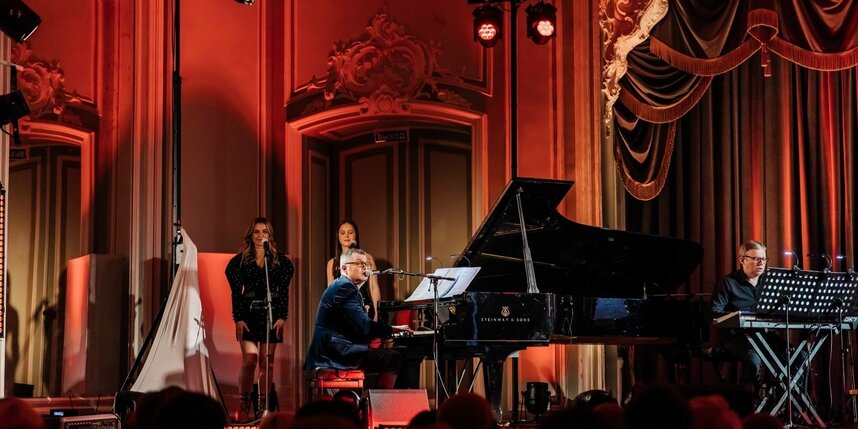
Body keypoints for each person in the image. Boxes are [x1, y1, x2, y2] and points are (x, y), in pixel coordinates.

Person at [710, 240, 807, 394]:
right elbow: (715, 312)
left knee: (800, 355)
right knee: (754, 360)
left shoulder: (769, 283)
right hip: (737, 338)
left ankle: (785, 399)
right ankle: (750, 401)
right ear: (742, 260)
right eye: (756, 259)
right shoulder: (728, 283)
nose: (761, 263)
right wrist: (740, 316)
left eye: (763, 259)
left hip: (765, 337)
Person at [305, 247, 407, 388]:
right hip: (336, 353)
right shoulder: (344, 288)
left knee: (389, 355)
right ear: (344, 268)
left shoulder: (345, 286)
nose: (365, 267)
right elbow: (364, 326)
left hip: (336, 350)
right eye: (359, 263)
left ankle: (377, 397)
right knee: (394, 358)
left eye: (366, 264)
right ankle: (381, 400)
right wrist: (393, 330)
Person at [225, 217, 294, 422]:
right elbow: (236, 293)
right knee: (250, 360)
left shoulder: (280, 262)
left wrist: (282, 316)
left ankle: (264, 407)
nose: (260, 235)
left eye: (264, 232)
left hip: (271, 313)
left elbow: (283, 292)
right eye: (256, 231)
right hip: (248, 313)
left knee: (267, 361)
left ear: (270, 236)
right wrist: (238, 319)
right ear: (250, 235)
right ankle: (243, 405)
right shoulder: (239, 262)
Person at [327, 219, 382, 321]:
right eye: (342, 233)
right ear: (338, 236)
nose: (346, 236)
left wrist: (377, 313)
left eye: (350, 232)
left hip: (364, 310)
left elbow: (374, 287)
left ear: (355, 235)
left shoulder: (367, 258)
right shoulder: (332, 263)